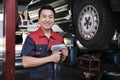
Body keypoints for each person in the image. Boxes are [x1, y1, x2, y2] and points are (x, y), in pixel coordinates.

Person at [21, 5, 68, 80]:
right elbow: (26, 63)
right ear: (39, 19)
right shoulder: (31, 37)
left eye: (50, 17)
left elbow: (59, 60)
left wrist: (64, 56)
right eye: (44, 16)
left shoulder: (59, 38)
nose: (47, 20)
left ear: (54, 20)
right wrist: (50, 58)